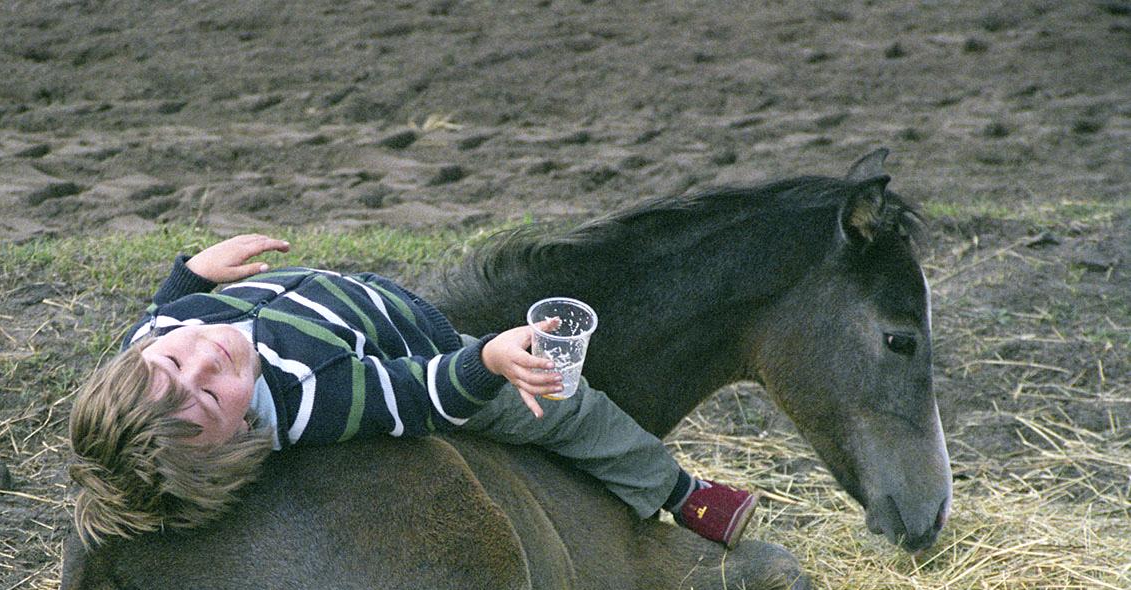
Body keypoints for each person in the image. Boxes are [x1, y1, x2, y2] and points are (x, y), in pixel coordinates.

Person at [68, 234, 756, 549]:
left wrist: (191, 272)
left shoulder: (156, 340)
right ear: (242, 432)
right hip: (416, 340)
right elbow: (422, 396)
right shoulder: (318, 395)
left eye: (172, 361)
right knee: (563, 405)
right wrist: (483, 359)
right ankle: (681, 494)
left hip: (349, 301)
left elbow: (161, 314)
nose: (203, 359)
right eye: (213, 398)